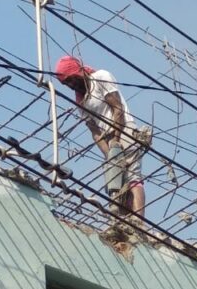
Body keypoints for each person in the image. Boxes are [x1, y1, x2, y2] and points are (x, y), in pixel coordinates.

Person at [54, 55, 150, 217]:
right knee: (117, 182)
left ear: (78, 72)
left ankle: (139, 222)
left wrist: (116, 140)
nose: (70, 85)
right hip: (108, 140)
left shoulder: (100, 77)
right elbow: (95, 133)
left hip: (124, 131)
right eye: (66, 83)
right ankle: (126, 222)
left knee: (133, 176)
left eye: (71, 79)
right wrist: (109, 155)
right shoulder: (81, 100)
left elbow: (117, 109)